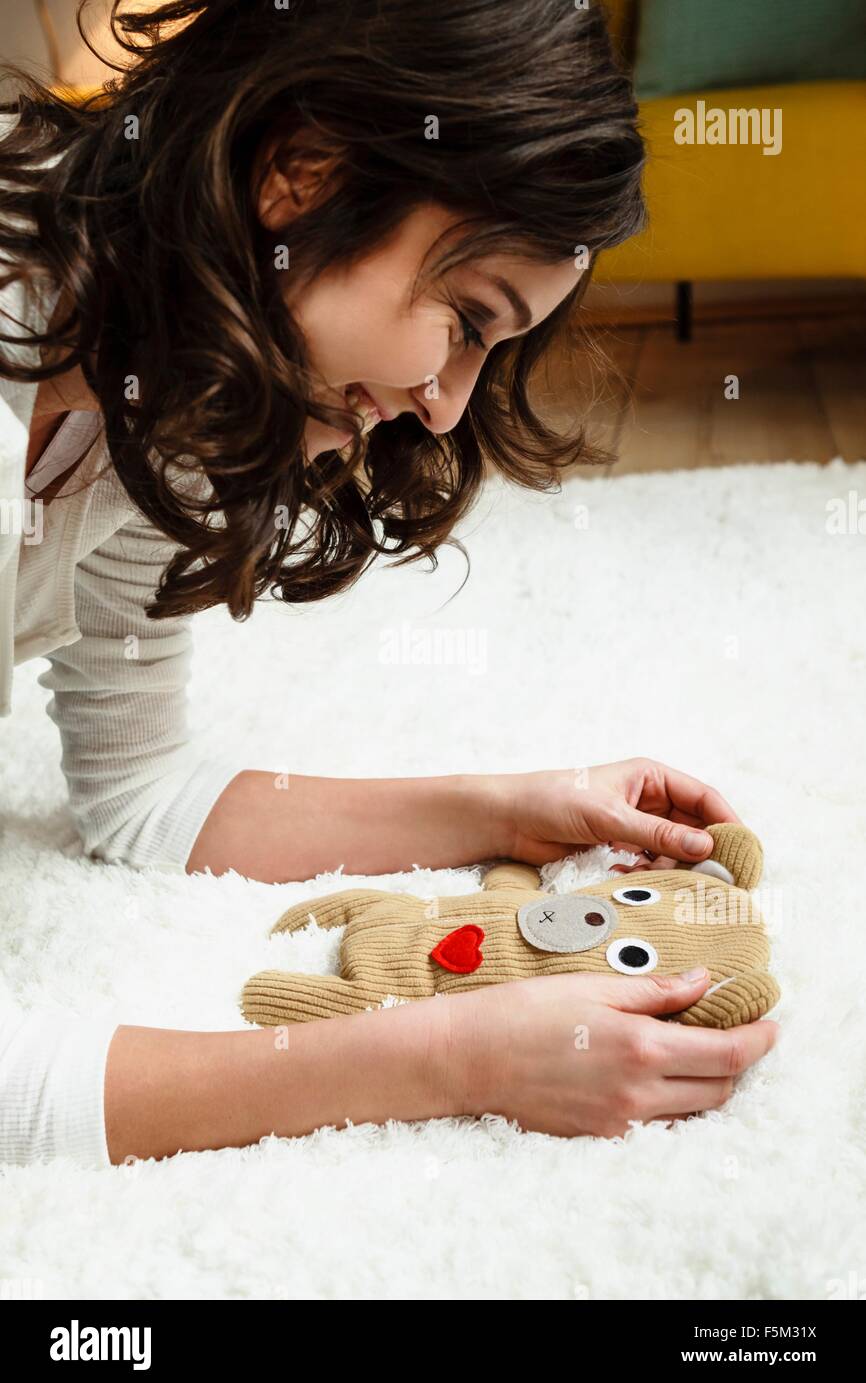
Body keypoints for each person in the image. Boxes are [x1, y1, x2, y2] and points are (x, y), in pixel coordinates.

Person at [0, 0, 778, 1167]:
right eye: (465, 322)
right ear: (301, 176)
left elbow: (140, 791)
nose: (448, 405)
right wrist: (443, 1056)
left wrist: (513, 809)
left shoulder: (149, 378)